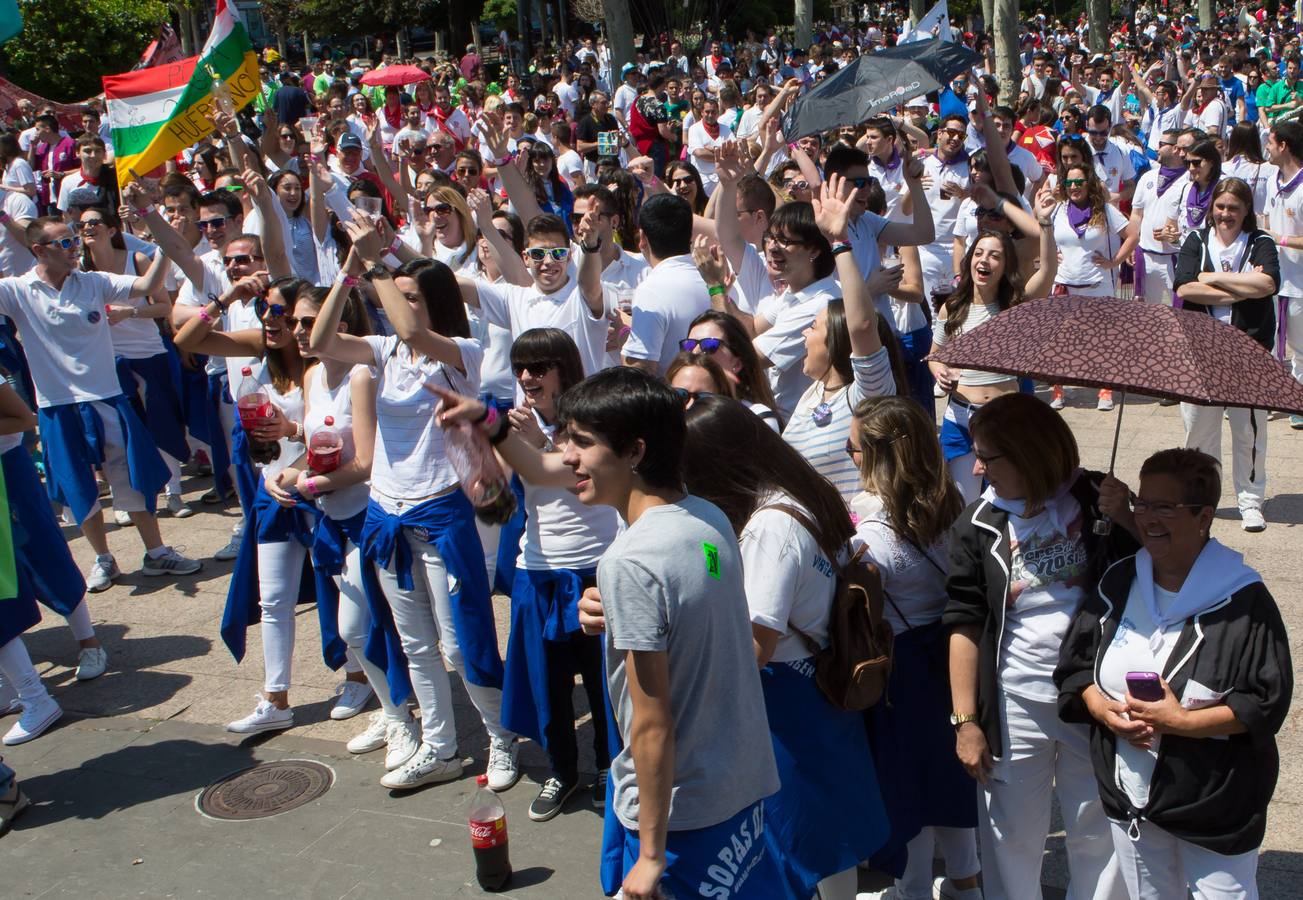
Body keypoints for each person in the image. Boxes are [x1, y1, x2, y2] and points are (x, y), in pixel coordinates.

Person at [432, 366, 784, 899]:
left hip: (678, 818)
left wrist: (648, 856)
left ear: (636, 452)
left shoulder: (630, 560)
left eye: (581, 442)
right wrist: (622, 609)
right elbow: (696, 616)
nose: (566, 455)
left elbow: (650, 723)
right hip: (741, 787)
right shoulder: (708, 517)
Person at [309, 220, 519, 793]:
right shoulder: (382, 351)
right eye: (395, 295)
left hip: (442, 513)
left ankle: (502, 739)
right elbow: (320, 342)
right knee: (416, 643)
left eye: (410, 297)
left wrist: (380, 263)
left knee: (460, 640)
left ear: (435, 304)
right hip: (386, 513)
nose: (396, 307)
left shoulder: (461, 352)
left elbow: (411, 329)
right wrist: (351, 270)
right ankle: (441, 747)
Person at [1058, 448, 1292, 900]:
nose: (1147, 518)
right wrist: (1102, 711)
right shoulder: (1119, 582)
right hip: (1130, 794)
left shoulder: (1242, 599)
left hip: (1212, 800)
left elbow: (1265, 701)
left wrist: (1181, 722)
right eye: (1142, 503)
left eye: (1165, 507)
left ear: (1204, 516)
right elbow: (1076, 667)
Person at [681, 394, 889, 900]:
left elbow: (755, 643)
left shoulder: (768, 527)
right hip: (820, 682)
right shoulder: (801, 493)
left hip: (788, 699)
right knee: (828, 834)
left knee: (795, 838)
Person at [944, 392, 1135, 900]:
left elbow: (1156, 574)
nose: (978, 466)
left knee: (1097, 834)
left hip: (1090, 699)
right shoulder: (977, 525)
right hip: (1014, 703)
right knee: (1011, 839)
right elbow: (963, 625)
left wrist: (1129, 521)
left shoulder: (1097, 496)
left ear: (1029, 451)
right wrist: (966, 723)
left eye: (988, 455)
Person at [0, 217, 200, 589]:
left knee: (133, 478)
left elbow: (148, 285)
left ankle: (156, 553)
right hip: (57, 406)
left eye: (74, 239)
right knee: (78, 485)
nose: (74, 246)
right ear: (38, 250)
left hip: (107, 398)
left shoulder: (93, 282)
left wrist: (164, 246)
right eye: (63, 243)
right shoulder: (16, 290)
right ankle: (103, 560)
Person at [850, 396, 980, 900]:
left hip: (903, 670)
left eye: (856, 449)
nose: (850, 456)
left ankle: (914, 889)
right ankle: (967, 883)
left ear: (881, 456)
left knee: (910, 791)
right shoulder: (954, 506)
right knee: (952, 776)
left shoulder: (869, 532)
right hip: (953, 654)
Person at [496, 328, 618, 822]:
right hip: (538, 569)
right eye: (521, 367)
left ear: (564, 369)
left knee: (602, 681)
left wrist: (536, 445)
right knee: (548, 684)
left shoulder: (590, 421)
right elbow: (499, 494)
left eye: (538, 367)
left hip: (593, 566)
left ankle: (609, 768)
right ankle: (562, 771)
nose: (527, 377)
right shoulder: (516, 423)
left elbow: (584, 483)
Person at [1173, 177, 1280, 533]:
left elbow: (1267, 284)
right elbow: (1186, 286)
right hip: (1202, 350)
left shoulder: (1260, 241)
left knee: (1249, 432)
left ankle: (1250, 501)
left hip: (1248, 352)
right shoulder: (1195, 240)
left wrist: (1212, 279)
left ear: (1246, 209)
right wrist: (1240, 287)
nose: (1225, 214)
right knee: (1198, 433)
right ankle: (1202, 498)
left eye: (1234, 207)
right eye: (1220, 206)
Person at [929, 219, 1057, 501]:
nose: (984, 260)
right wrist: (940, 373)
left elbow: (1047, 271)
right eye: (978, 253)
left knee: (1003, 502)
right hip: (959, 418)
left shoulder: (1015, 306)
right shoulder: (952, 308)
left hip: (1003, 421)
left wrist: (1046, 224)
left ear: (1005, 265)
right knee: (964, 504)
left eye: (994, 255)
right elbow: (935, 355)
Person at [78, 206, 192, 519]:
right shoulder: (81, 270)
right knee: (120, 431)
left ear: (112, 229)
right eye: (82, 224)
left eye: (94, 222)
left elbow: (163, 308)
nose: (87, 228)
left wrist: (130, 313)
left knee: (163, 424)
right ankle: (128, 500)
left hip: (148, 352)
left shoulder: (136, 260)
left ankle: (175, 493)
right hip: (108, 360)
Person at [1047, 162, 1134, 412]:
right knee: (1061, 341)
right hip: (1064, 283)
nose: (1074, 187)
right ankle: (1059, 388)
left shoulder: (1105, 210)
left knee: (1103, 340)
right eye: (1069, 182)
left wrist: (1115, 261)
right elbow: (1040, 232)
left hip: (1098, 283)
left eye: (1079, 182)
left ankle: (1104, 390)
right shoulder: (1058, 210)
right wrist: (1051, 254)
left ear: (1089, 184)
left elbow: (1133, 235)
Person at [621, 193, 712, 375]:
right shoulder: (715, 278)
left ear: (642, 238)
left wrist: (623, 333)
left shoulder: (651, 290)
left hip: (678, 399)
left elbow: (640, 371)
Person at [1263, 120, 1303, 428]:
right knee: (1272, 342)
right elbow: (1265, 220)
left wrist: (1281, 239)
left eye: (1270, 142)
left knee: (1301, 347)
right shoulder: (1272, 179)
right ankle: (1276, 395)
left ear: (1283, 146)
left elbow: (1281, 234)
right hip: (1274, 280)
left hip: (1300, 282)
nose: (1266, 147)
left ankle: (1297, 401)